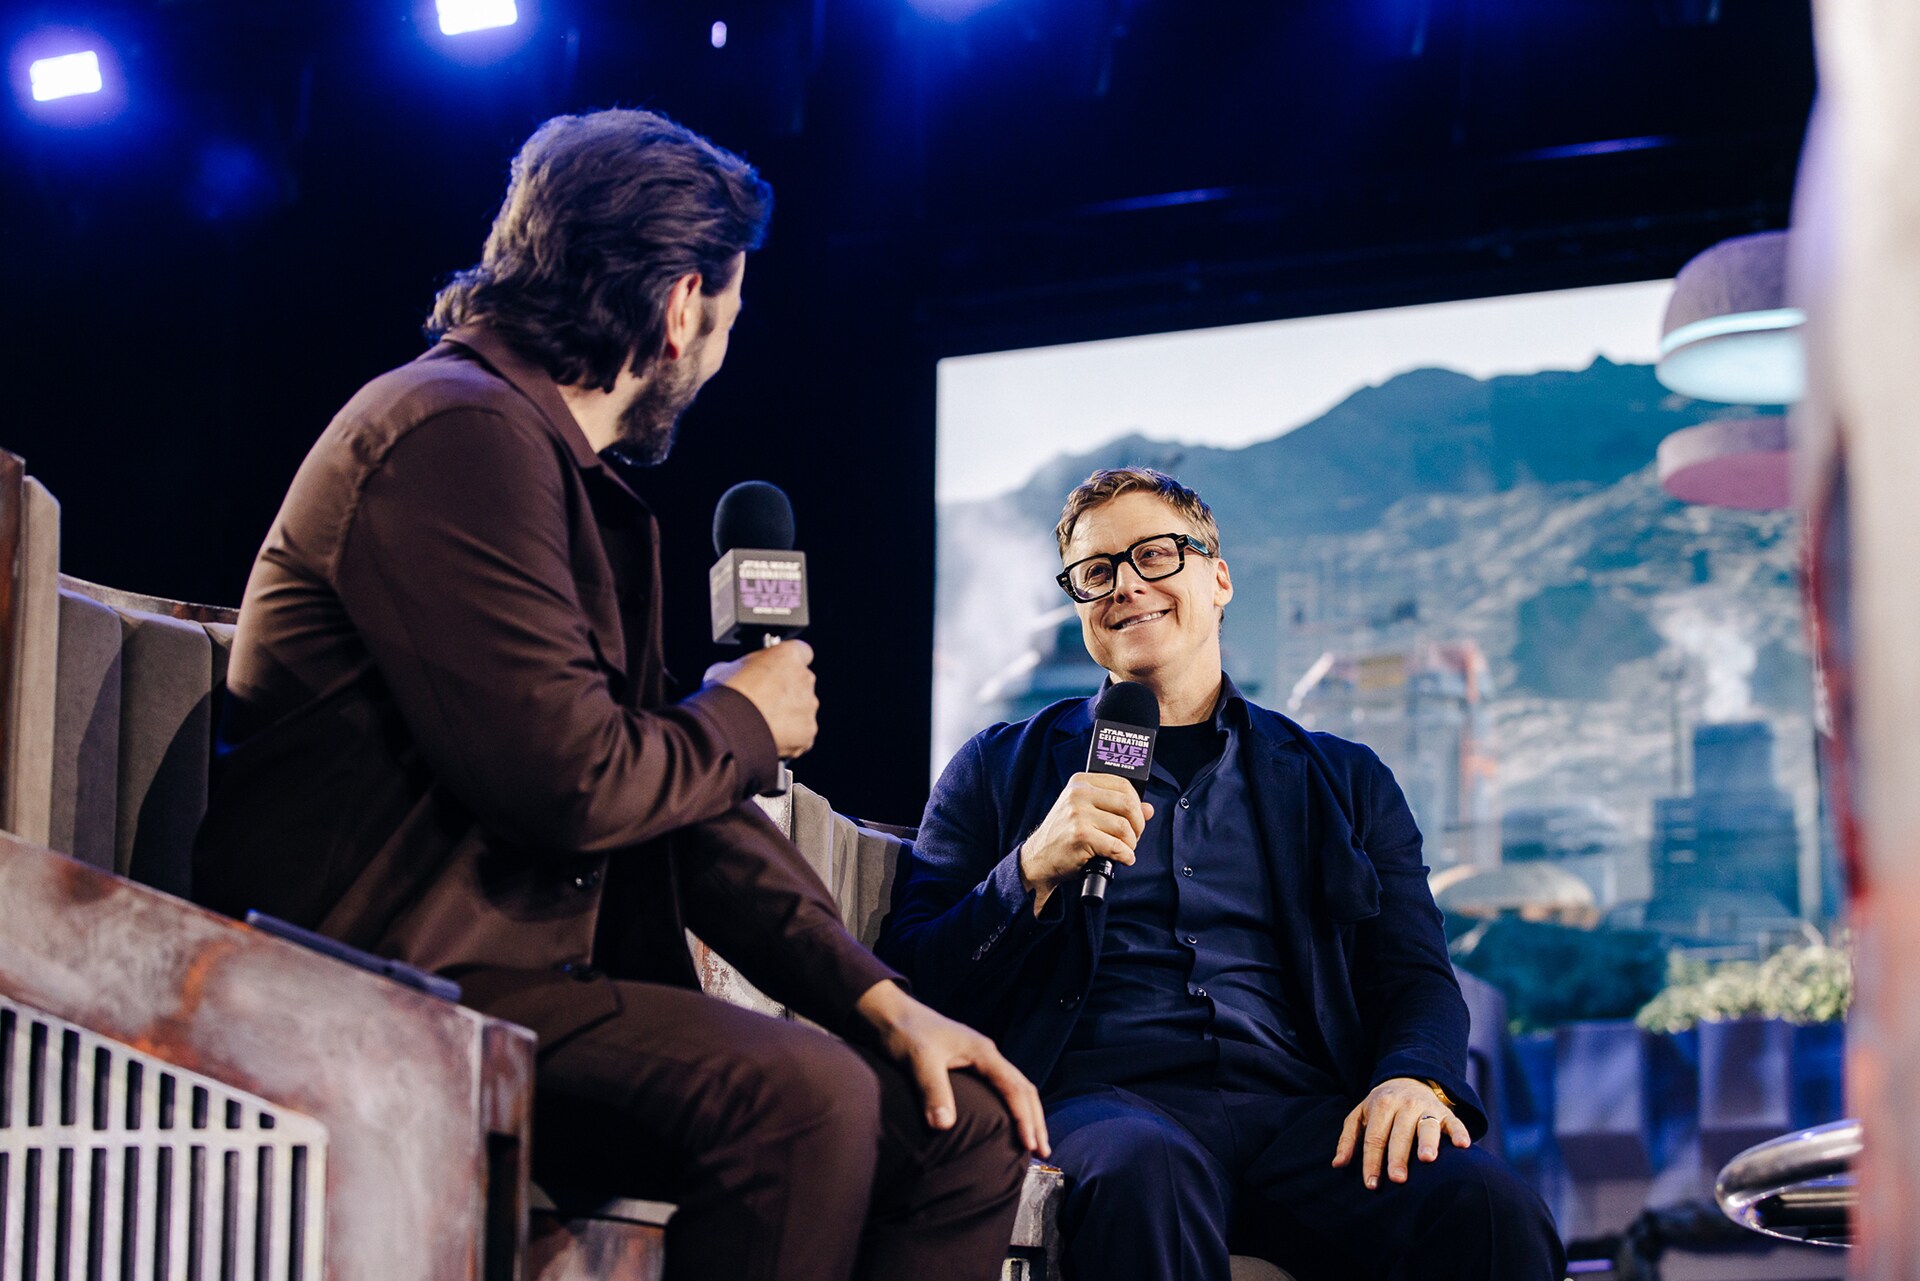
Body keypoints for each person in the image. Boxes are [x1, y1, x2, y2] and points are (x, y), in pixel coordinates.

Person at [193, 108, 1045, 1281]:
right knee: (796, 1098)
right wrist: (745, 717)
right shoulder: (453, 434)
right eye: (730, 319)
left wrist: (879, 999)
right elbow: (575, 780)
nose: (721, 352)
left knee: (962, 1130)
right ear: (683, 305)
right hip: (380, 985)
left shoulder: (538, 463)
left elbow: (678, 810)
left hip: (511, 992)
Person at [877, 467, 1564, 1280]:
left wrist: (1415, 1078)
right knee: (1145, 1172)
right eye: (1097, 572)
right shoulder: (996, 769)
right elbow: (913, 981)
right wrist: (1025, 870)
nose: (1127, 584)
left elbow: (1416, 976)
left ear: (1219, 577)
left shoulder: (1344, 779)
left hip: (1305, 1114)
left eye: (1155, 554)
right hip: (1105, 1105)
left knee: (1488, 1206)